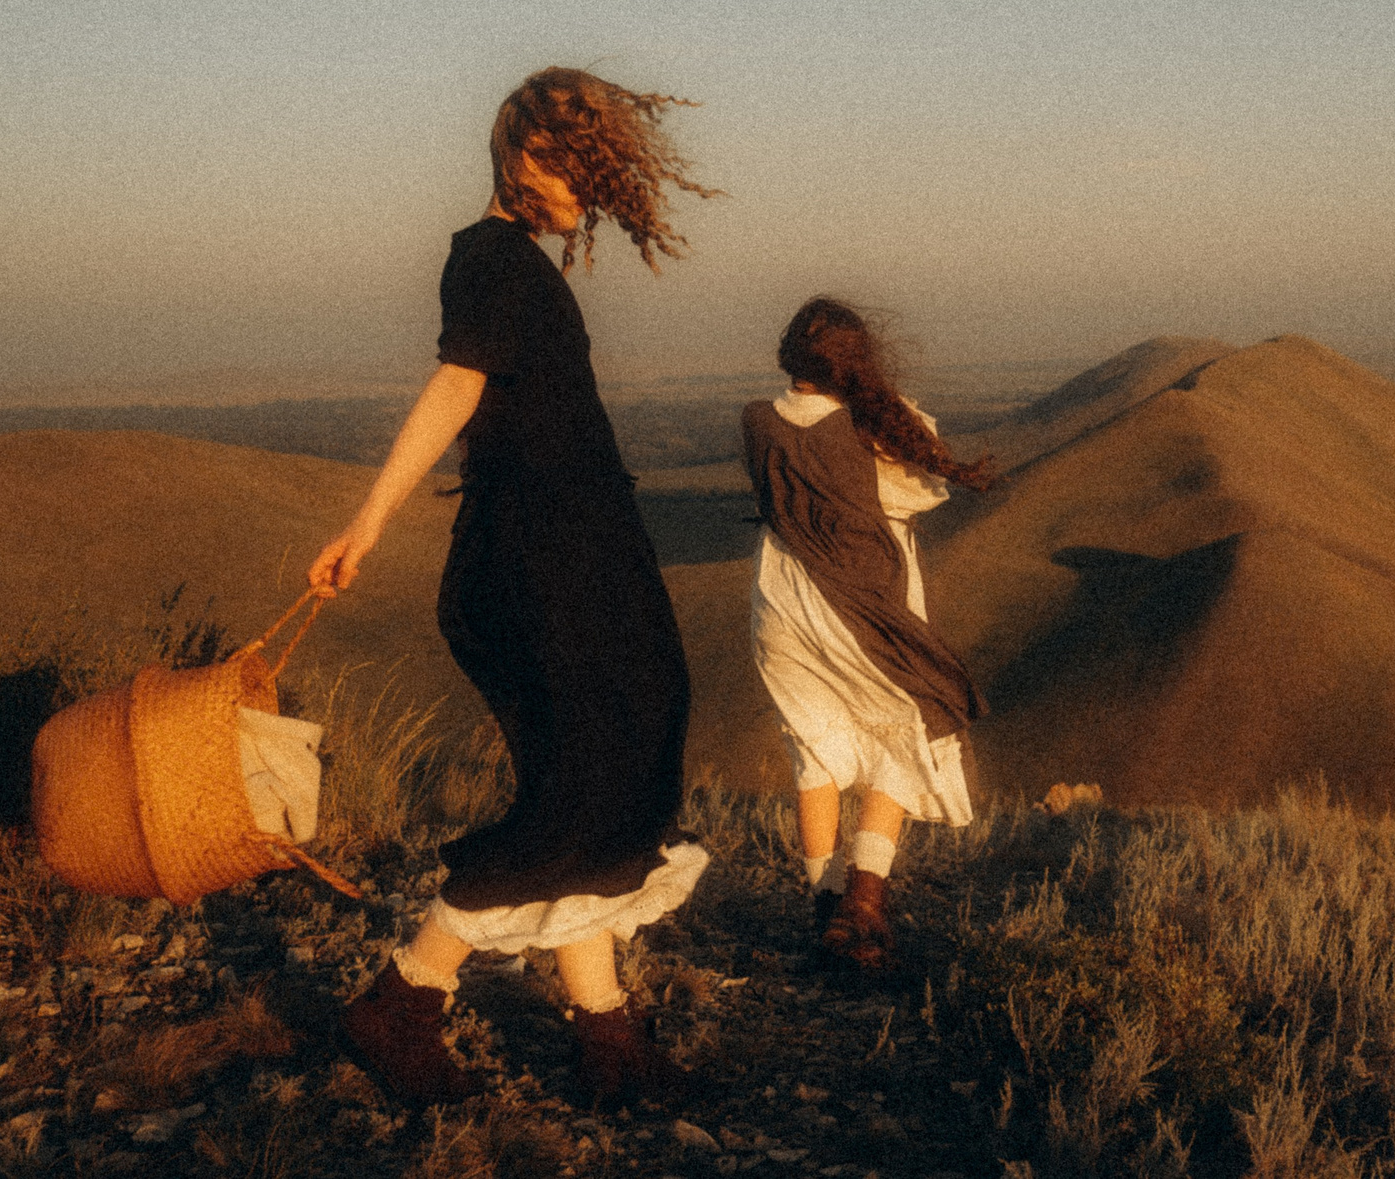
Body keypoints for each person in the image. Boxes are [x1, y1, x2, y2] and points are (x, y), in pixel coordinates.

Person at [310, 66, 717, 1108]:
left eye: (594, 170)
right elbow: (455, 387)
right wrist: (369, 519)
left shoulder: (514, 262)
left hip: (571, 548)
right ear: (519, 158)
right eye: (570, 165)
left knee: (611, 761)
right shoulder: (491, 259)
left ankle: (607, 1043)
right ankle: (403, 998)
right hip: (538, 558)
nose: (584, 187)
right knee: (591, 777)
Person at [740, 298, 997, 971]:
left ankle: (825, 907)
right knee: (909, 721)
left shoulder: (757, 421)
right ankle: (864, 902)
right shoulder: (873, 430)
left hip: (782, 606)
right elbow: (921, 491)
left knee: (815, 752)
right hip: (862, 604)